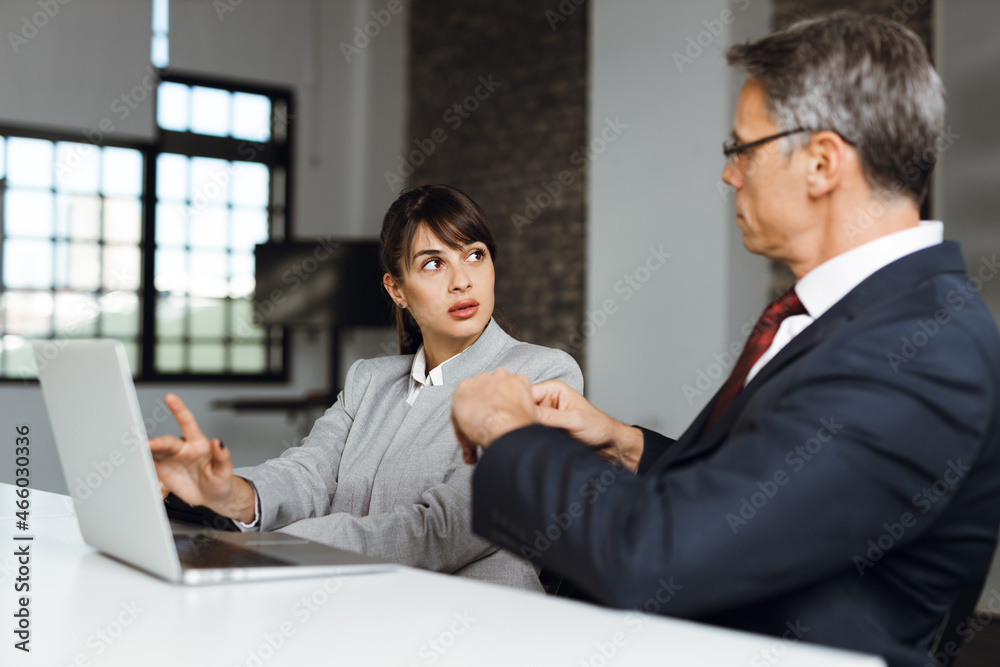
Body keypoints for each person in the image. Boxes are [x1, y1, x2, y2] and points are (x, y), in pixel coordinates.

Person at [450, 13, 1000, 666]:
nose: (728, 175)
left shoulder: (919, 352)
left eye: (742, 149)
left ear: (822, 161)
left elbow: (656, 557)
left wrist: (510, 430)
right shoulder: (853, 318)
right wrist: (627, 446)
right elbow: (770, 502)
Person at [150, 184, 583, 591]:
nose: (461, 280)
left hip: (475, 628)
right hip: (348, 606)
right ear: (396, 289)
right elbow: (308, 475)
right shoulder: (369, 381)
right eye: (433, 263)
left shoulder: (542, 374)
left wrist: (273, 545)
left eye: (475, 255)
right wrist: (231, 495)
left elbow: (449, 528)